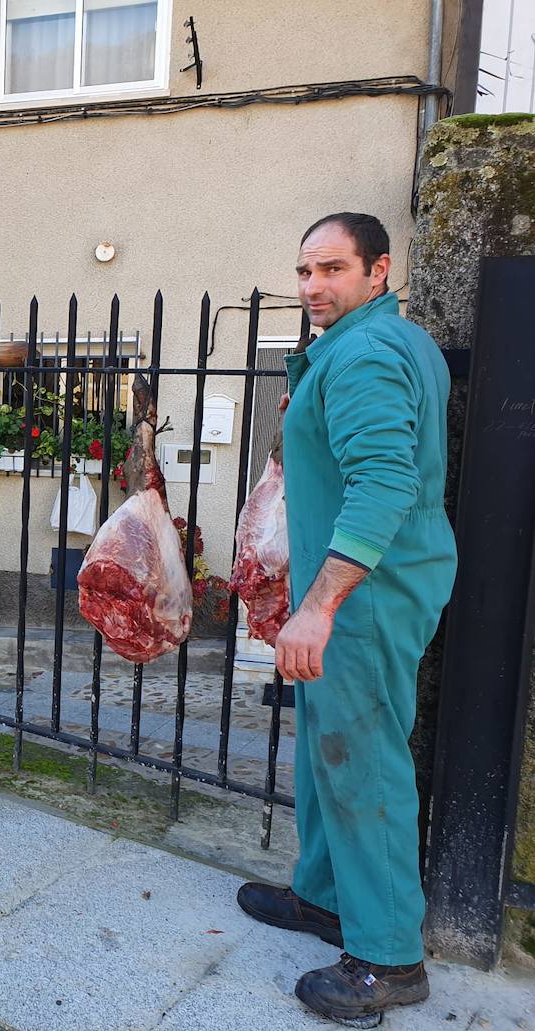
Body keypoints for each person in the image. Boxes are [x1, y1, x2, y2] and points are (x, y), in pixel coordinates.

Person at [235, 213, 458, 1027]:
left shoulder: (363, 351)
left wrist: (320, 606)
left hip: (366, 593)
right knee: (333, 750)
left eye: (332, 268)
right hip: (371, 584)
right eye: (303, 270)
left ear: (378, 269)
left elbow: (384, 484)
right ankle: (328, 898)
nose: (312, 286)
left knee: (362, 761)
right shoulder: (375, 343)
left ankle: (390, 959)